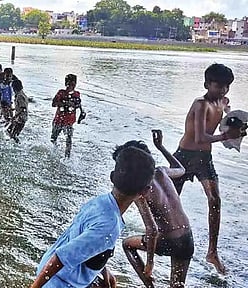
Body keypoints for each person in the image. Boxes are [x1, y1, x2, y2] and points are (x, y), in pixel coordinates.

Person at [31, 146, 156, 288]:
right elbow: (61, 258)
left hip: (53, 271)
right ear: (145, 191)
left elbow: (84, 244)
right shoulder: (109, 226)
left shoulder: (100, 203)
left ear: (112, 176)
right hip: (59, 282)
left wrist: (102, 269)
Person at [172, 63, 245, 274]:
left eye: (226, 86)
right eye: (218, 85)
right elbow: (200, 137)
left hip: (204, 158)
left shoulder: (223, 101)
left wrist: (235, 125)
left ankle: (212, 252)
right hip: (184, 156)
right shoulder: (200, 104)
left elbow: (227, 120)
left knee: (215, 200)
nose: (222, 90)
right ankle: (161, 233)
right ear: (207, 84)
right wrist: (225, 136)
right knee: (170, 199)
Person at [120, 130, 193, 288]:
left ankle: (149, 285)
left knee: (127, 244)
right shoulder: (162, 171)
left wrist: (149, 263)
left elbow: (152, 230)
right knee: (177, 284)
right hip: (187, 237)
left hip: (169, 240)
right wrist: (161, 147)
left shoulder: (140, 189)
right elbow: (181, 169)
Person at [51, 74, 85, 158]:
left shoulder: (77, 94)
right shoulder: (61, 93)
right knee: (53, 138)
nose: (71, 86)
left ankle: (67, 157)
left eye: (73, 84)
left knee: (69, 140)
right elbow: (53, 104)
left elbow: (79, 105)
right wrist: (66, 103)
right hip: (58, 120)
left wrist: (81, 113)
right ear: (66, 83)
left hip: (69, 122)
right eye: (70, 84)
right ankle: (54, 152)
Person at [7, 79, 28, 143]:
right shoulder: (21, 94)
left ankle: (19, 145)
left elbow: (23, 109)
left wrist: (15, 116)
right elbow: (21, 107)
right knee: (9, 130)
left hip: (21, 119)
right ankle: (15, 143)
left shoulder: (20, 96)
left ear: (14, 88)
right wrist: (13, 109)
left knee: (13, 135)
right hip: (19, 118)